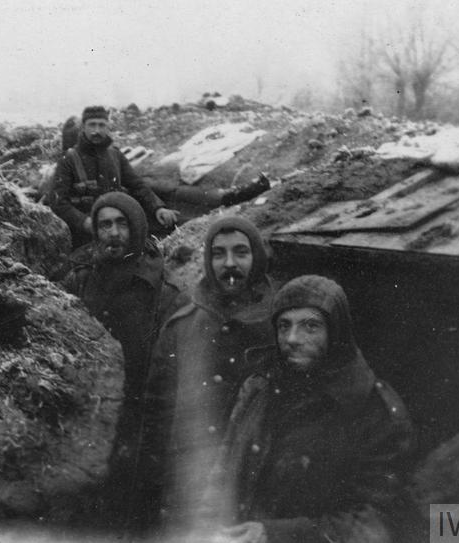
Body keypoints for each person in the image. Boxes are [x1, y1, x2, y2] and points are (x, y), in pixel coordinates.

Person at [201, 275, 414, 543]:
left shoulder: (375, 411)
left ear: (336, 332)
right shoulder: (258, 389)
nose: (292, 338)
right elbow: (222, 474)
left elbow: (379, 521)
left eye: (310, 326)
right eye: (283, 326)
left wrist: (277, 534)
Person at [140, 216, 276, 528]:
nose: (229, 263)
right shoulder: (181, 325)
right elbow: (156, 419)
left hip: (256, 495)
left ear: (256, 257)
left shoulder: (282, 324)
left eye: (241, 252)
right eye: (218, 254)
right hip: (190, 490)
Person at [62, 191, 181, 531]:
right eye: (104, 225)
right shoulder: (81, 277)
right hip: (94, 405)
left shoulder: (162, 287)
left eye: (122, 224)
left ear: (137, 228)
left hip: (144, 406)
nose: (113, 233)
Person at [50, 105, 178, 247]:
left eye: (101, 125)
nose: (97, 130)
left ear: (107, 128)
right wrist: (84, 222)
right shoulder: (69, 159)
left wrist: (157, 207)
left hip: (116, 222)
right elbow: (58, 202)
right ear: (83, 128)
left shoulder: (115, 155)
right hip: (85, 230)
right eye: (92, 125)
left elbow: (137, 184)